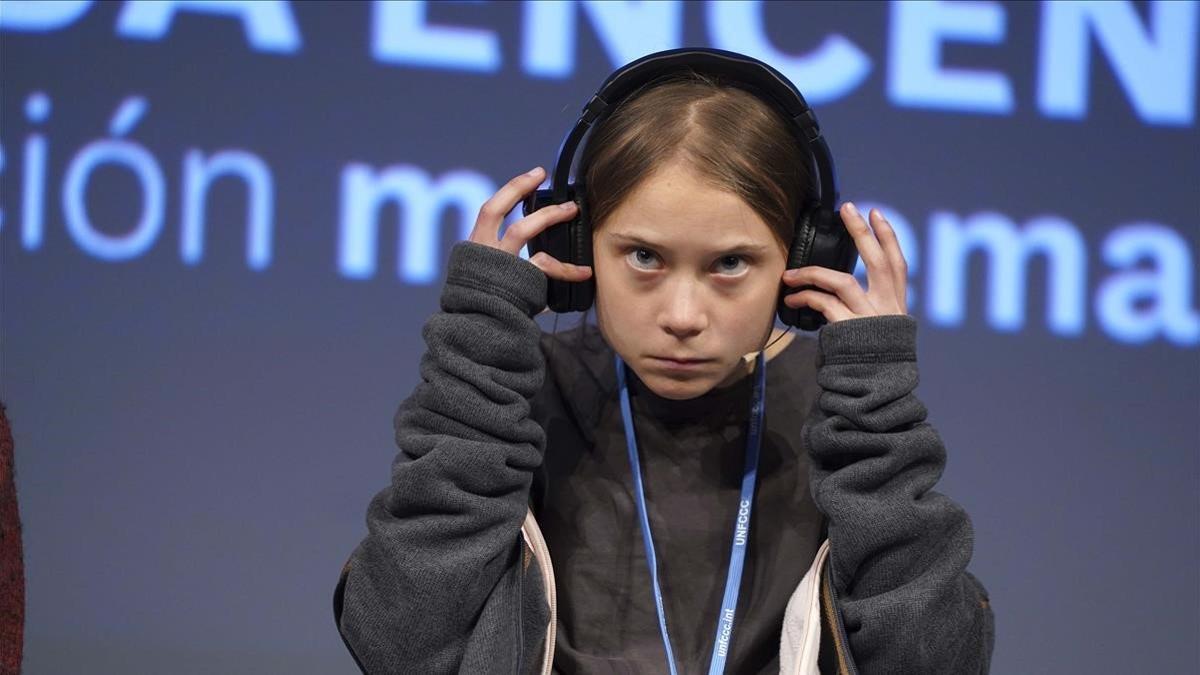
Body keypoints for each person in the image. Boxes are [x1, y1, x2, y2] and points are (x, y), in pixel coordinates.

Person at [334, 50, 995, 675]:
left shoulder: (845, 413)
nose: (683, 314)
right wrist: (476, 357)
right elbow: (399, 643)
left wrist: (876, 411)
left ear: (800, 259)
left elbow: (932, 660)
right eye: (644, 257)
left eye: (730, 264)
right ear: (580, 242)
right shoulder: (516, 392)